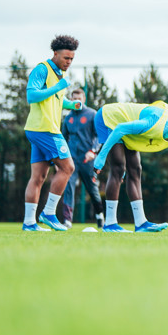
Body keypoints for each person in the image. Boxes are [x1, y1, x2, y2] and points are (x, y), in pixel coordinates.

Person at [93, 101, 168, 233]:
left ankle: (141, 223)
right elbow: (120, 128)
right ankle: (110, 224)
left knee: (135, 170)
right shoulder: (153, 123)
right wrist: (101, 157)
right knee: (118, 169)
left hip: (128, 126)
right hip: (109, 118)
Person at [22, 36, 84, 232]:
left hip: (38, 129)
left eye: (72, 59)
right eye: (66, 58)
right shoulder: (42, 69)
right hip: (45, 129)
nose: (69, 62)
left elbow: (55, 99)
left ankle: (29, 223)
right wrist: (57, 87)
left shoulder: (60, 74)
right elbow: (31, 95)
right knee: (68, 167)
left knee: (38, 177)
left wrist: (70, 104)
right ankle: (49, 213)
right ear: (55, 54)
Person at [61, 87, 104, 229]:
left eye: (79, 99)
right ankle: (67, 220)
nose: (77, 101)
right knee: (68, 185)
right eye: (74, 99)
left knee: (92, 189)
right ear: (71, 100)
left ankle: (99, 215)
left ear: (84, 99)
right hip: (72, 160)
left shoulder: (92, 114)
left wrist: (93, 151)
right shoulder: (68, 118)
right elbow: (63, 139)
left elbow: (99, 136)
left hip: (88, 160)